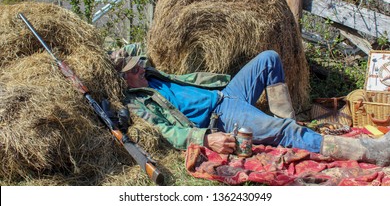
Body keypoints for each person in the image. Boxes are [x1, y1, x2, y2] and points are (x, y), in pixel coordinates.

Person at [111, 44, 390, 166]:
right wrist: (206, 138)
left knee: (269, 58)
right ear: (124, 81)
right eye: (135, 70)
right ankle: (368, 152)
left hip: (227, 93)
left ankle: (290, 120)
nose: (142, 69)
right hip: (220, 116)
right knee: (283, 131)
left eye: (140, 65)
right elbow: (166, 131)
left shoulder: (150, 76)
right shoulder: (138, 105)